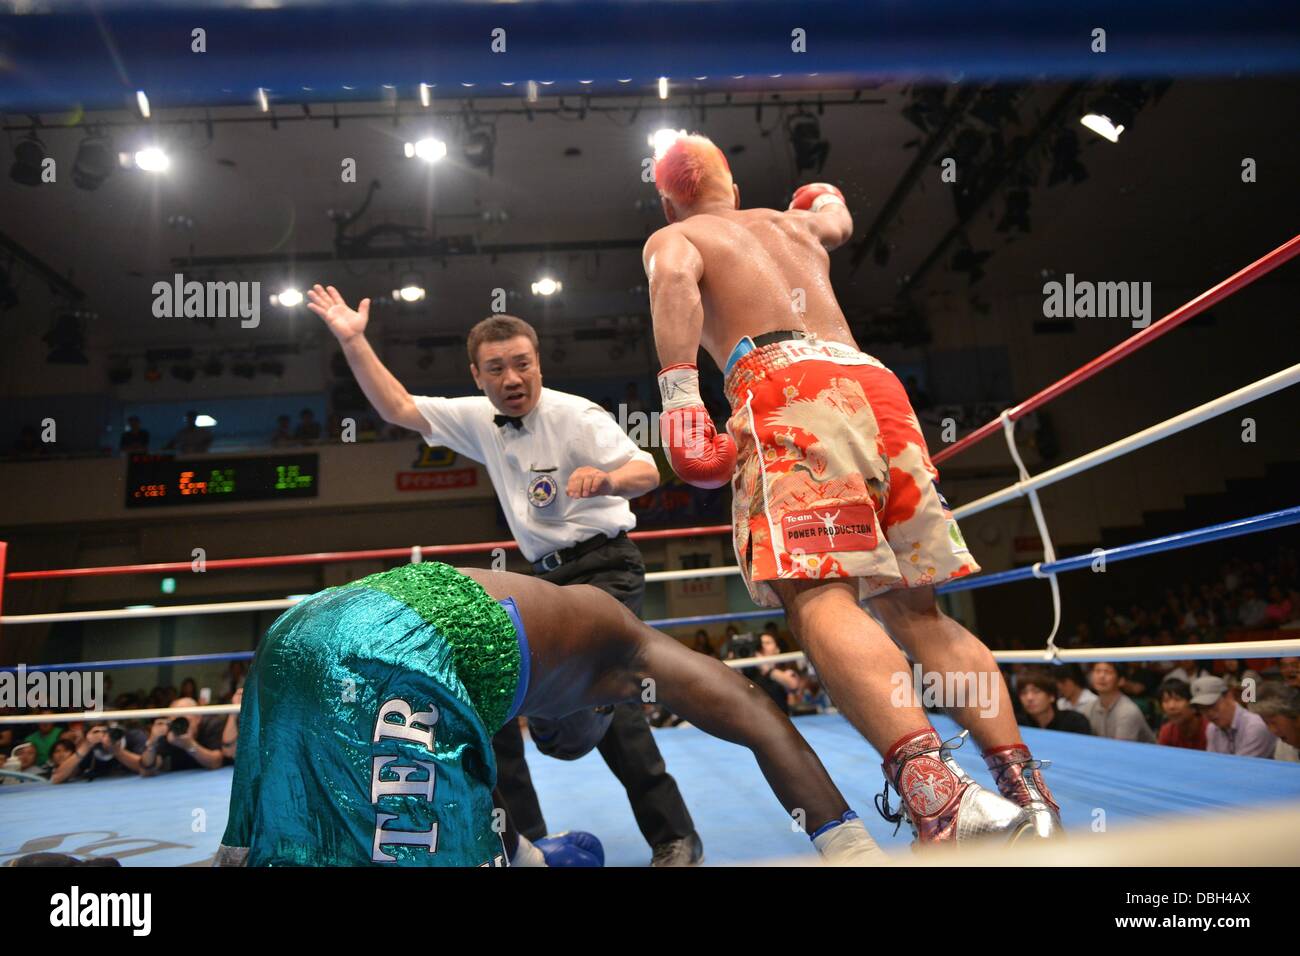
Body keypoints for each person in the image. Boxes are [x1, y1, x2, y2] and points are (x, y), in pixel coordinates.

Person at [642, 132, 1051, 843]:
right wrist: (820, 195)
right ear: (732, 184)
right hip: (876, 388)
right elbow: (837, 218)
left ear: (667, 197)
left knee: (818, 597)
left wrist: (680, 401)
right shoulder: (793, 224)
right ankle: (1030, 797)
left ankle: (944, 803)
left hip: (785, 388)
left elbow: (671, 278)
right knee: (918, 612)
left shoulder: (680, 235)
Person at [307, 285, 704, 866]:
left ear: (538, 363)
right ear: (478, 374)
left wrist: (607, 479)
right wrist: (353, 340)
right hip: (542, 579)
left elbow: (645, 470)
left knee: (610, 694)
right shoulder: (479, 419)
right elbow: (397, 408)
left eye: (523, 363)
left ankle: (675, 838)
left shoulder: (575, 414)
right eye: (497, 368)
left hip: (606, 568)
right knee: (493, 691)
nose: (513, 377)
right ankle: (530, 845)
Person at [216, 562, 885, 867]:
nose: (550, 733)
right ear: (611, 702)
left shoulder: (515, 666)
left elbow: (476, 786)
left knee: (269, 845)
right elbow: (763, 720)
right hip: (393, 641)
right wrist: (851, 848)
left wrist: (531, 854)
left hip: (296, 629)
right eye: (565, 736)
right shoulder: (635, 649)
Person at [1191, 675, 1277, 758]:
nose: (1209, 713)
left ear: (1229, 696)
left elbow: (1240, 769)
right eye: (1202, 708)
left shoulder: (1255, 726)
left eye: (1212, 705)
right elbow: (1212, 764)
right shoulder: (1212, 728)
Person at [140, 698, 228, 774]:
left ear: (198, 718)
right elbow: (147, 770)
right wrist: (152, 742)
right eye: (177, 719)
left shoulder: (211, 725)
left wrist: (190, 745)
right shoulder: (168, 732)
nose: (181, 725)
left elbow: (216, 762)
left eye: (185, 719)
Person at [1079, 662, 1157, 743]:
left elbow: (1121, 751)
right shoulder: (1089, 707)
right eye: (1097, 671)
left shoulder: (1127, 711)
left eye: (1108, 672)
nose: (1101, 676)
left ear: (1121, 680)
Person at [1016, 669, 1091, 735]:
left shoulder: (1075, 722)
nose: (1029, 698)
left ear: (1051, 696)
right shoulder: (1017, 724)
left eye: (1036, 691)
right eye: (1023, 693)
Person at [1249, 683, 1300, 762]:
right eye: (1266, 723)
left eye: (1273, 722)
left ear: (1296, 718)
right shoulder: (1282, 745)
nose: (1272, 730)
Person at [1155, 679, 1207, 750]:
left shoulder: (1209, 729)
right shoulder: (1167, 731)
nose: (1171, 706)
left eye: (1177, 699)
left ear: (1193, 705)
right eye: (1166, 701)